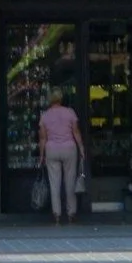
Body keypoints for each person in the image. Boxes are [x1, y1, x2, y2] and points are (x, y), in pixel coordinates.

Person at [40, 93, 86, 223]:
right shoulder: (70, 112)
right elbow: (76, 132)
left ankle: (57, 214)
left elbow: (43, 138)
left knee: (54, 184)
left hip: (52, 149)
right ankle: (71, 213)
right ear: (61, 98)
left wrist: (42, 155)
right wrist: (81, 148)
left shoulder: (45, 115)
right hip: (69, 149)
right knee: (70, 182)